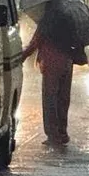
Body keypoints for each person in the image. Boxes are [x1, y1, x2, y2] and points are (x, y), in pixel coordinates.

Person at [22, 10, 78, 146]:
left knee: (50, 100)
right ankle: (63, 133)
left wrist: (21, 57)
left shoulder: (46, 23)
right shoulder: (70, 21)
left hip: (51, 65)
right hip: (67, 63)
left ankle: (53, 135)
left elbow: (35, 43)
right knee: (63, 99)